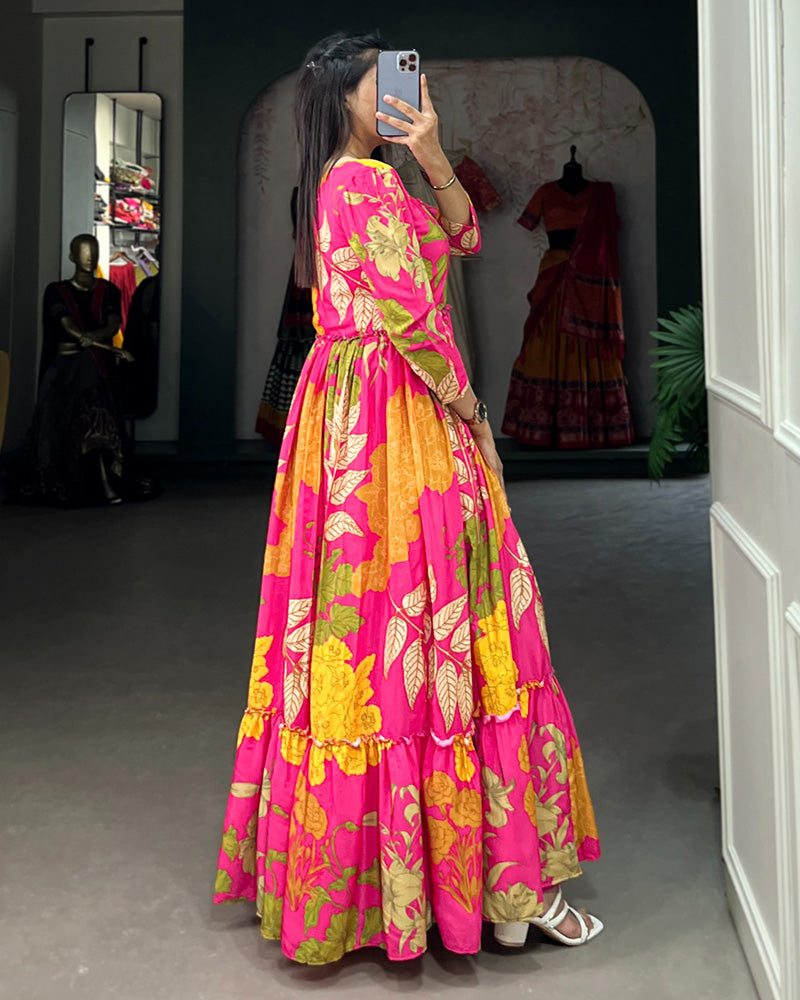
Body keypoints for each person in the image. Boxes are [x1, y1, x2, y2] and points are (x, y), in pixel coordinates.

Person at [213, 33, 603, 964]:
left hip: (356, 418)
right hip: (397, 413)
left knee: (379, 628)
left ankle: (432, 885)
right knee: (458, 614)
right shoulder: (357, 185)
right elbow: (413, 317)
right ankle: (504, 887)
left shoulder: (365, 182)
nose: (403, 91)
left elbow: (463, 237)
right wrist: (474, 415)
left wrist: (431, 155)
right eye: (381, 83)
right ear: (345, 99)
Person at [4, 234, 157, 506]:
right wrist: (81, 336)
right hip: (64, 368)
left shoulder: (109, 290)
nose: (89, 257)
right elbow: (65, 325)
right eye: (84, 252)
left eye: (93, 251)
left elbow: (112, 326)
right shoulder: (56, 291)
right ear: (72, 256)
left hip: (95, 367)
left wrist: (91, 338)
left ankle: (104, 473)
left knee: (95, 401)